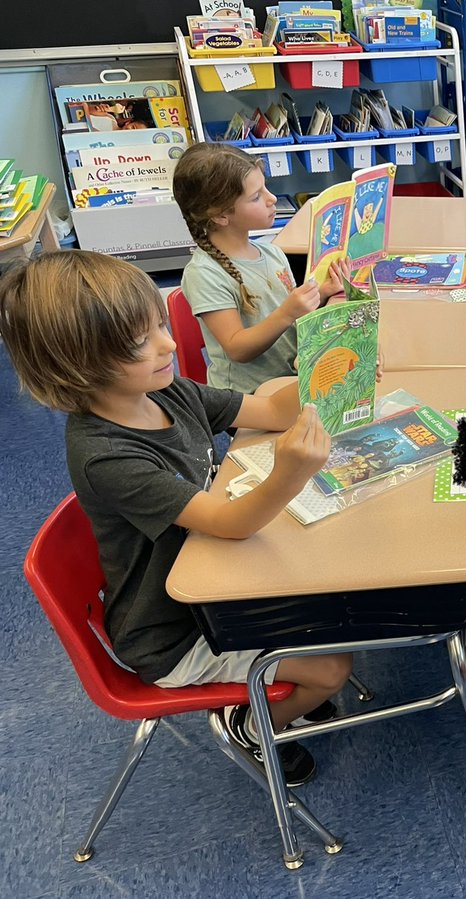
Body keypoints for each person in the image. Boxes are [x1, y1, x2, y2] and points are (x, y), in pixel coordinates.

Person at [0, 250, 354, 787]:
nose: (168, 344)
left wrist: (338, 358)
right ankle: (252, 728)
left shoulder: (164, 390)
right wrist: (289, 474)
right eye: (139, 342)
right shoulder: (107, 456)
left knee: (336, 607)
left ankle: (283, 698)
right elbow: (234, 523)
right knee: (333, 668)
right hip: (172, 635)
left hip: (214, 587)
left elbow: (270, 412)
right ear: (74, 364)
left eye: (161, 325)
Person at [173, 142, 351, 394]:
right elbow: (237, 349)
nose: (272, 199)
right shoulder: (204, 273)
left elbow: (290, 315)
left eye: (265, 187)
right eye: (256, 196)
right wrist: (288, 313)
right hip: (247, 398)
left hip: (291, 379)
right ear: (220, 215)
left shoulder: (273, 252)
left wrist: (321, 293)